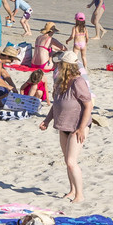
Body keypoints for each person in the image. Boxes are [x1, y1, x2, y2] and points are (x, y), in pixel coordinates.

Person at [40, 55, 93, 202]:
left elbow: (89, 105)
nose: (57, 65)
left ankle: (79, 195)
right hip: (64, 125)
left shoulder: (78, 82)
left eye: (60, 63)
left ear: (66, 65)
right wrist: (47, 120)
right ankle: (72, 190)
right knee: (67, 161)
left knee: (71, 161)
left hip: (78, 126)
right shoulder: (60, 81)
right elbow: (56, 104)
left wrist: (81, 128)